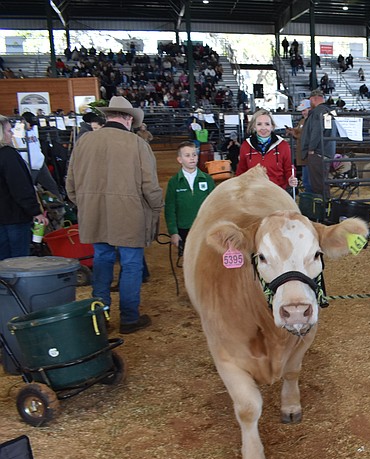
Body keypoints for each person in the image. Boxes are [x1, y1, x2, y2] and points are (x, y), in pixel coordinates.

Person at [65, 96, 163, 334]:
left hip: (95, 214)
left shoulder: (84, 142)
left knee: (102, 260)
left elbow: (71, 185)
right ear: (128, 119)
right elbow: (149, 186)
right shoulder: (137, 144)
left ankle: (100, 317)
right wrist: (157, 207)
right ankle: (129, 318)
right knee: (130, 265)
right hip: (129, 214)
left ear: (107, 117)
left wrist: (88, 204)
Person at [0, 114, 48, 260]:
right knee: (19, 262)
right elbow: (20, 187)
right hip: (13, 217)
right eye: (9, 131)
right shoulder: (8, 155)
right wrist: (35, 211)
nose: (12, 134)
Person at [165, 141, 215, 254]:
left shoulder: (207, 179)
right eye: (187, 155)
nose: (192, 158)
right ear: (180, 159)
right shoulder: (174, 182)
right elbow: (170, 208)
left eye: (194, 154)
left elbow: (214, 205)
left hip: (204, 228)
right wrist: (173, 232)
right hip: (184, 229)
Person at [234, 108, 298, 191]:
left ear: (272, 126)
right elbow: (241, 171)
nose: (263, 128)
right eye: (259, 124)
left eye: (267, 124)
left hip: (277, 191)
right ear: (254, 126)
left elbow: (289, 168)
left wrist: (290, 179)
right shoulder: (246, 146)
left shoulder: (283, 145)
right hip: (252, 193)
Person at [300, 89, 336, 198]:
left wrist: (311, 148)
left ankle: (322, 208)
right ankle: (326, 207)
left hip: (318, 152)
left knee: (318, 184)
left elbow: (316, 131)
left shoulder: (317, 112)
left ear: (313, 99)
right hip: (327, 150)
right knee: (322, 181)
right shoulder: (328, 111)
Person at [286, 99, 311, 190]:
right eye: (302, 111)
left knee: (308, 180)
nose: (303, 113)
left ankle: (310, 199)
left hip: (307, 154)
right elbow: (298, 131)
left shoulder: (309, 121)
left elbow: (305, 136)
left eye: (304, 110)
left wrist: (294, 133)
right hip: (303, 154)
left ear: (310, 109)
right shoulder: (303, 121)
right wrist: (292, 131)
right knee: (306, 180)